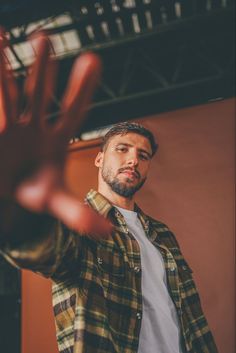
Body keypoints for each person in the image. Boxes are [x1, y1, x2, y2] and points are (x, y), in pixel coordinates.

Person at [0, 33, 218, 353]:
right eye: (123, 149)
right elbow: (51, 253)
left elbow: (190, 319)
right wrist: (19, 216)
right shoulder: (77, 225)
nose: (134, 159)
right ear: (99, 158)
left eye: (143, 155)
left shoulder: (163, 235)